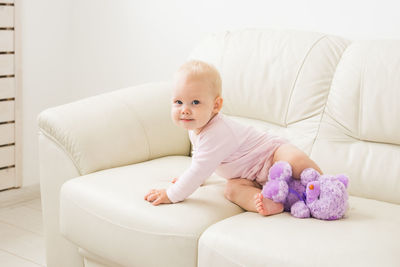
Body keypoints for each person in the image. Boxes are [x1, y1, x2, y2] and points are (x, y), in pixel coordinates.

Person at [144, 60, 322, 216]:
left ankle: (325, 183)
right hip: (251, 178)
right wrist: (192, 180)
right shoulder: (196, 127)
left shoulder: (218, 131)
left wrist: (171, 194)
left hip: (272, 156)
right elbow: (201, 159)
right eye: (178, 102)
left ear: (216, 105)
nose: (185, 109)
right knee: (232, 190)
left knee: (293, 158)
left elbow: (199, 168)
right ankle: (265, 202)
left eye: (195, 102)